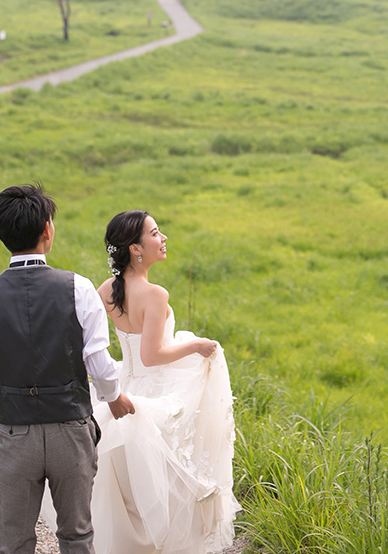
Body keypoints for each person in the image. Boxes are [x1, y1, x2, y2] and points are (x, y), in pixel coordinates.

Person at [0, 183, 135, 554]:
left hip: (15, 431)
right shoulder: (79, 288)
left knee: (15, 539)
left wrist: (13, 394)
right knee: (76, 535)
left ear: (1, 233)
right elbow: (98, 362)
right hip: (70, 429)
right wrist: (113, 397)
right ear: (46, 231)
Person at [90, 209, 240, 554]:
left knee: (133, 484)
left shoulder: (106, 290)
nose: (164, 238)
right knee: (164, 482)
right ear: (135, 249)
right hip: (152, 392)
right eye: (155, 233)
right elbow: (152, 355)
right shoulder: (155, 294)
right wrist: (196, 346)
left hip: (122, 387)